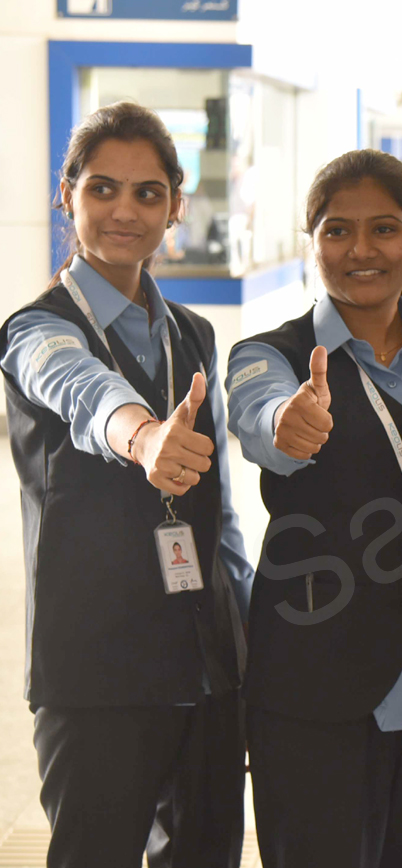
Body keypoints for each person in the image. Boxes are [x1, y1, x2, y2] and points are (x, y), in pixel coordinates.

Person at [0, 101, 252, 868]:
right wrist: (142, 437)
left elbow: (221, 510)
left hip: (203, 661)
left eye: (148, 193)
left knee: (206, 854)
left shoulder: (193, 334)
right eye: (102, 188)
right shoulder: (36, 328)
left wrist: (245, 627)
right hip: (98, 668)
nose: (124, 210)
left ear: (176, 207)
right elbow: (79, 388)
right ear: (66, 194)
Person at [226, 150, 402, 868]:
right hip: (310, 688)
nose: (361, 250)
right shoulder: (269, 354)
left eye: (385, 230)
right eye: (338, 231)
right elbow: (257, 411)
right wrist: (285, 425)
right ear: (313, 243)